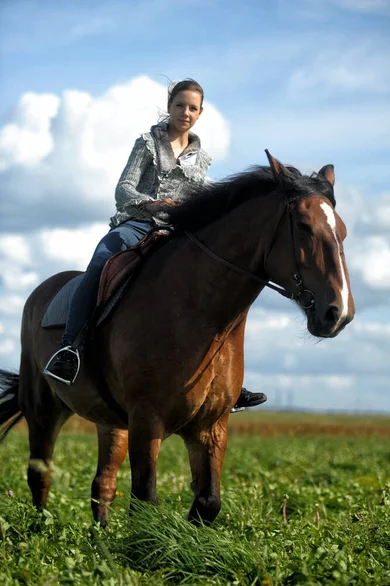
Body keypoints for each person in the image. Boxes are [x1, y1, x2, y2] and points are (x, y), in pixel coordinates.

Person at [44, 79, 266, 411]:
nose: (186, 112)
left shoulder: (201, 158)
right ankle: (70, 349)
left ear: (200, 113)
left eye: (193, 108)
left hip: (177, 235)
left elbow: (206, 197)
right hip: (136, 225)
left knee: (216, 284)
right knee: (101, 263)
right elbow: (123, 189)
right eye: (180, 105)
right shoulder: (147, 143)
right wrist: (155, 204)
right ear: (170, 106)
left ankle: (223, 377)